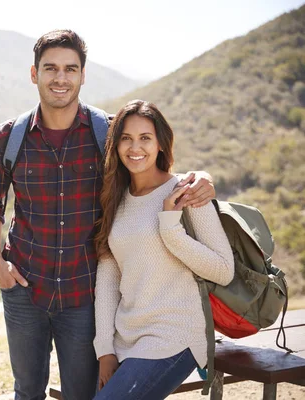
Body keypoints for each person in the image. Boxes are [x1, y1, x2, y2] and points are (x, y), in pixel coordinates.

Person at [0, 29, 215, 400]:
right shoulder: (8, 138)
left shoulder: (107, 134)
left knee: (82, 395)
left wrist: (202, 178)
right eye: (50, 68)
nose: (60, 78)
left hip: (84, 295)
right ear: (34, 73)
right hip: (24, 290)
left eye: (71, 69)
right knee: (26, 392)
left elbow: (151, 169)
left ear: (83, 75)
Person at [92, 99, 234, 400]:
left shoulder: (186, 191)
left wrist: (170, 228)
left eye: (145, 138)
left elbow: (223, 270)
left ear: (160, 144)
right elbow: (108, 277)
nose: (135, 148)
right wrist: (105, 348)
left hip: (176, 336)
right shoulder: (115, 197)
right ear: (116, 145)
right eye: (126, 138)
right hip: (127, 337)